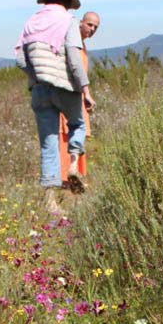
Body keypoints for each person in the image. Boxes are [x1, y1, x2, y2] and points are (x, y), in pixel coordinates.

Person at [15, 0, 96, 215]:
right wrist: (85, 90)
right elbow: (73, 57)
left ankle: (50, 203)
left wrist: (37, 76)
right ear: (67, 3)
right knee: (77, 124)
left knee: (48, 144)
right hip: (64, 86)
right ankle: (72, 166)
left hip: (39, 89)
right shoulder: (68, 21)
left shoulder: (31, 22)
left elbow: (20, 60)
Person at [59, 11, 100, 192]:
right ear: (81, 22)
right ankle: (64, 180)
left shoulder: (82, 45)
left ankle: (76, 178)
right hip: (68, 97)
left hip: (79, 98)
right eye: (90, 25)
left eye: (96, 27)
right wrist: (86, 92)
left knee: (78, 136)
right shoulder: (71, 42)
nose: (92, 29)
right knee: (67, 136)